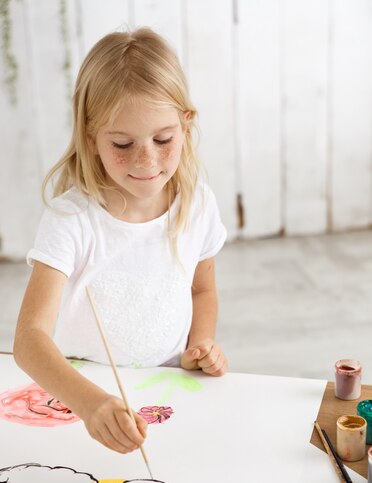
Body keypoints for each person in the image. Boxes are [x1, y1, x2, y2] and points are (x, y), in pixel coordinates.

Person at [13, 28, 228, 455]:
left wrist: (199, 346)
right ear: (92, 138)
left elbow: (202, 289)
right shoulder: (71, 219)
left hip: (168, 392)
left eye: (163, 139)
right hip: (82, 400)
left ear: (186, 124)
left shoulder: (197, 203)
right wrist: (89, 402)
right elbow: (28, 339)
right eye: (123, 144)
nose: (146, 160)